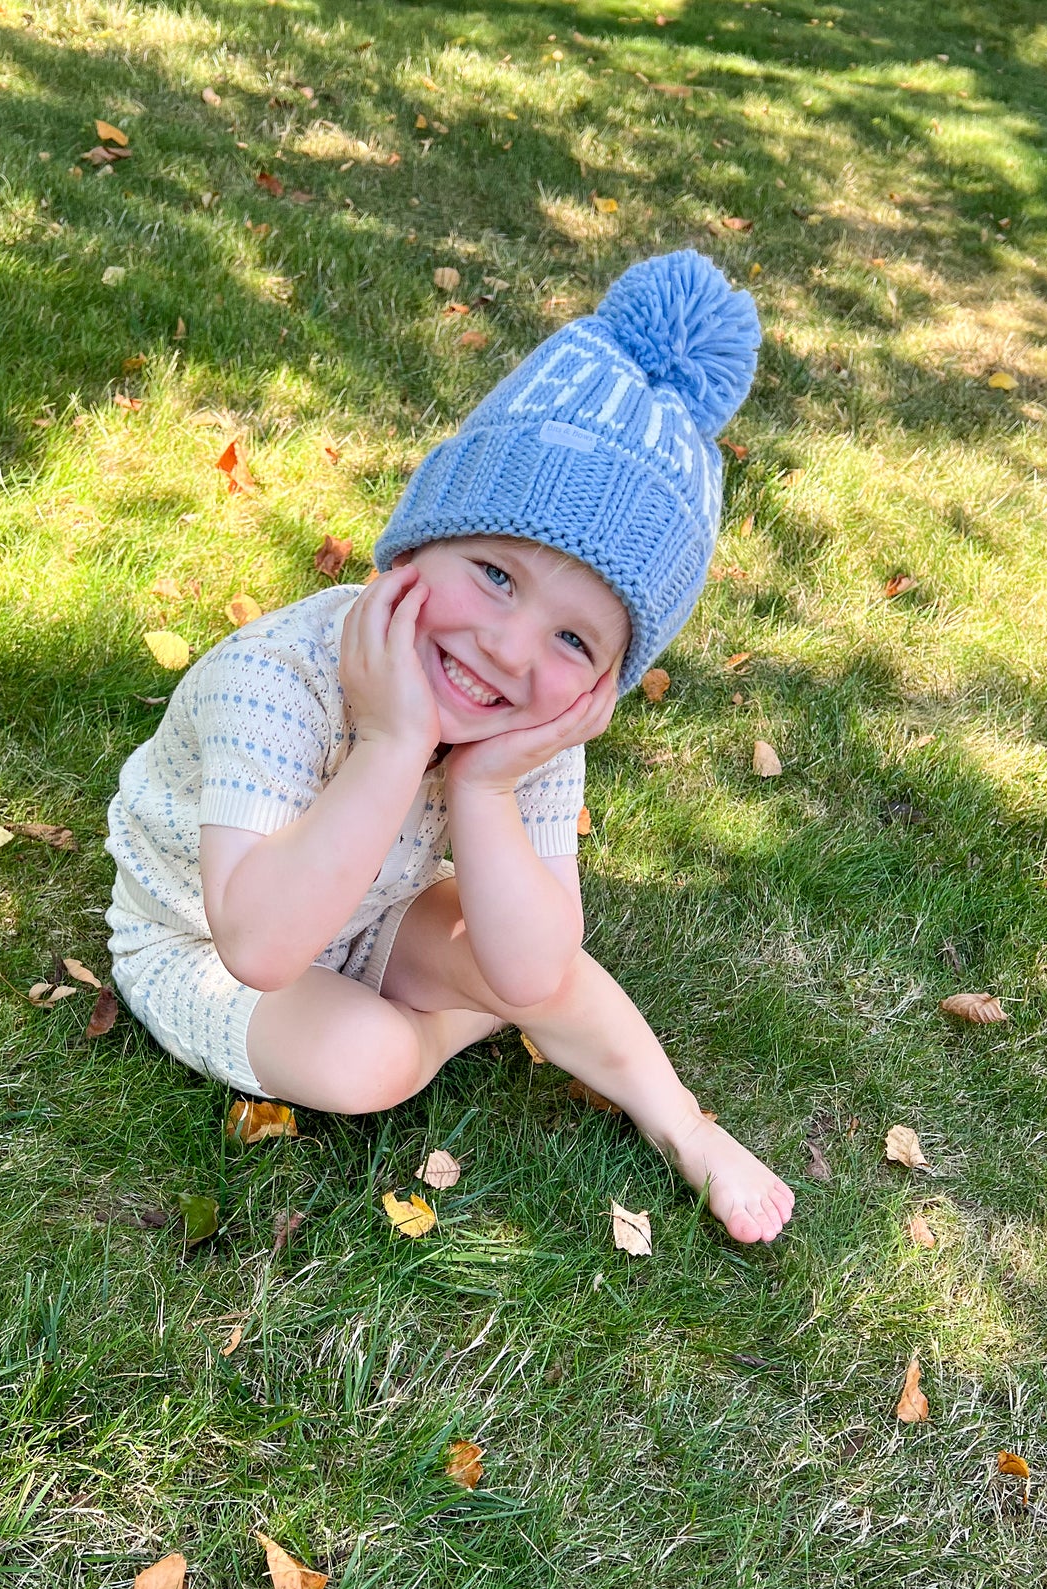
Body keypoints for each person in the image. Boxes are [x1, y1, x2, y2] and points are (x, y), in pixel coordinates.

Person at [105, 248, 794, 1244]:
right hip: (201, 940)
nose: (507, 650)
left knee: (535, 966)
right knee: (370, 1063)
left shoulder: (526, 730)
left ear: (601, 680)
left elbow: (530, 967)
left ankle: (684, 1124)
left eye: (572, 639)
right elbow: (256, 944)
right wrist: (391, 743)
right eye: (494, 574)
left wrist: (485, 788)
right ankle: (441, 1032)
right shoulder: (280, 677)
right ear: (416, 540)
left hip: (372, 915)